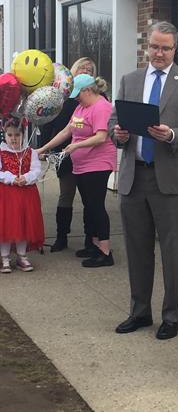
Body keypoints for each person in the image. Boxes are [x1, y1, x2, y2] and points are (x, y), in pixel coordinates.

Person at [109, 21, 178, 340]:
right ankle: (139, 312)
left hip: (170, 180)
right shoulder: (130, 80)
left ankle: (172, 316)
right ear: (146, 45)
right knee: (137, 250)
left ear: (175, 48)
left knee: (172, 252)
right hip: (134, 177)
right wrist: (118, 134)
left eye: (165, 48)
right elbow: (114, 121)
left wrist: (172, 134)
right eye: (154, 46)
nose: (159, 53)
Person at [38, 74, 116, 268]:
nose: (76, 99)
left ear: (87, 90)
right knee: (89, 206)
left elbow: (101, 137)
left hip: (97, 165)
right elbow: (67, 132)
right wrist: (42, 148)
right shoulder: (81, 108)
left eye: (77, 95)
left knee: (96, 206)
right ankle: (94, 246)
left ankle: (105, 252)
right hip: (81, 166)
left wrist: (76, 147)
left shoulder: (102, 107)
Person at [39, 57, 98, 255]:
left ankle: (92, 239)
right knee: (66, 196)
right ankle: (61, 236)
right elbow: (51, 123)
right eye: (82, 68)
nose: (85, 71)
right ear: (73, 71)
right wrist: (44, 147)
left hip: (90, 157)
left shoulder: (99, 99)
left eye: (89, 70)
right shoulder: (63, 97)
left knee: (90, 200)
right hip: (66, 154)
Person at [0, 118, 44, 273]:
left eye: (17, 135)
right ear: (5, 135)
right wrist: (11, 178)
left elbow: (37, 170)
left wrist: (26, 178)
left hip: (26, 193)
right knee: (6, 225)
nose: (13, 138)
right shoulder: (1, 151)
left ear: (23, 135)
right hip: (7, 195)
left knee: (23, 224)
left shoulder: (30, 152)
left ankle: (21, 256)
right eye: (10, 135)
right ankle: (4, 257)